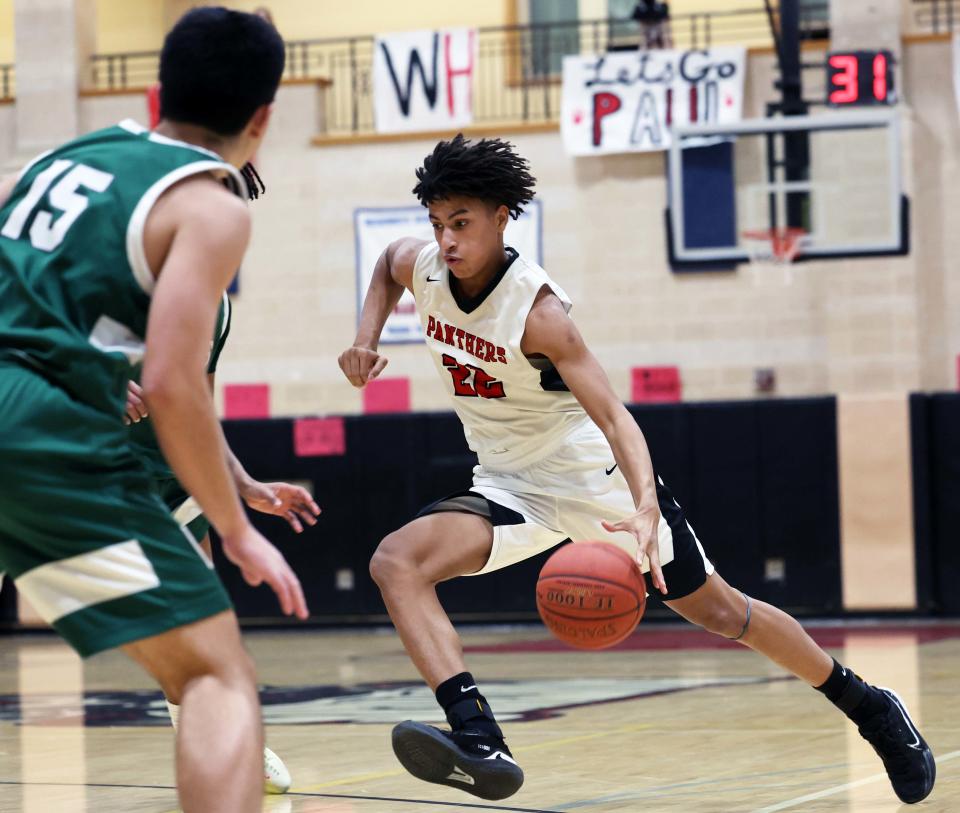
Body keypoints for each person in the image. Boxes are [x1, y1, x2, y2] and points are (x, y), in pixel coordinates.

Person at [339, 134, 936, 804]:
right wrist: (364, 339)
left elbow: (618, 418)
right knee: (397, 562)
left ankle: (871, 706)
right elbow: (386, 269)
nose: (446, 241)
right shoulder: (419, 265)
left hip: (596, 482)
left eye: (462, 224)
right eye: (438, 224)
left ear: (503, 216)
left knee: (720, 610)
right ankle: (480, 737)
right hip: (508, 484)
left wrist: (645, 503)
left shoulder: (540, 314)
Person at [0, 8, 307, 813]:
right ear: (263, 117)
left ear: (154, 90)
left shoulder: (63, 158)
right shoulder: (212, 207)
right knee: (213, 673)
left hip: (29, 404)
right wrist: (237, 532)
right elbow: (175, 384)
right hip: (39, 431)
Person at [123, 164, 319, 795]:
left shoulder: (218, 307)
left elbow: (198, 408)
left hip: (161, 474)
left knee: (203, 624)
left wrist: (244, 484)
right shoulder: (102, 277)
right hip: (57, 457)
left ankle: (218, 741)